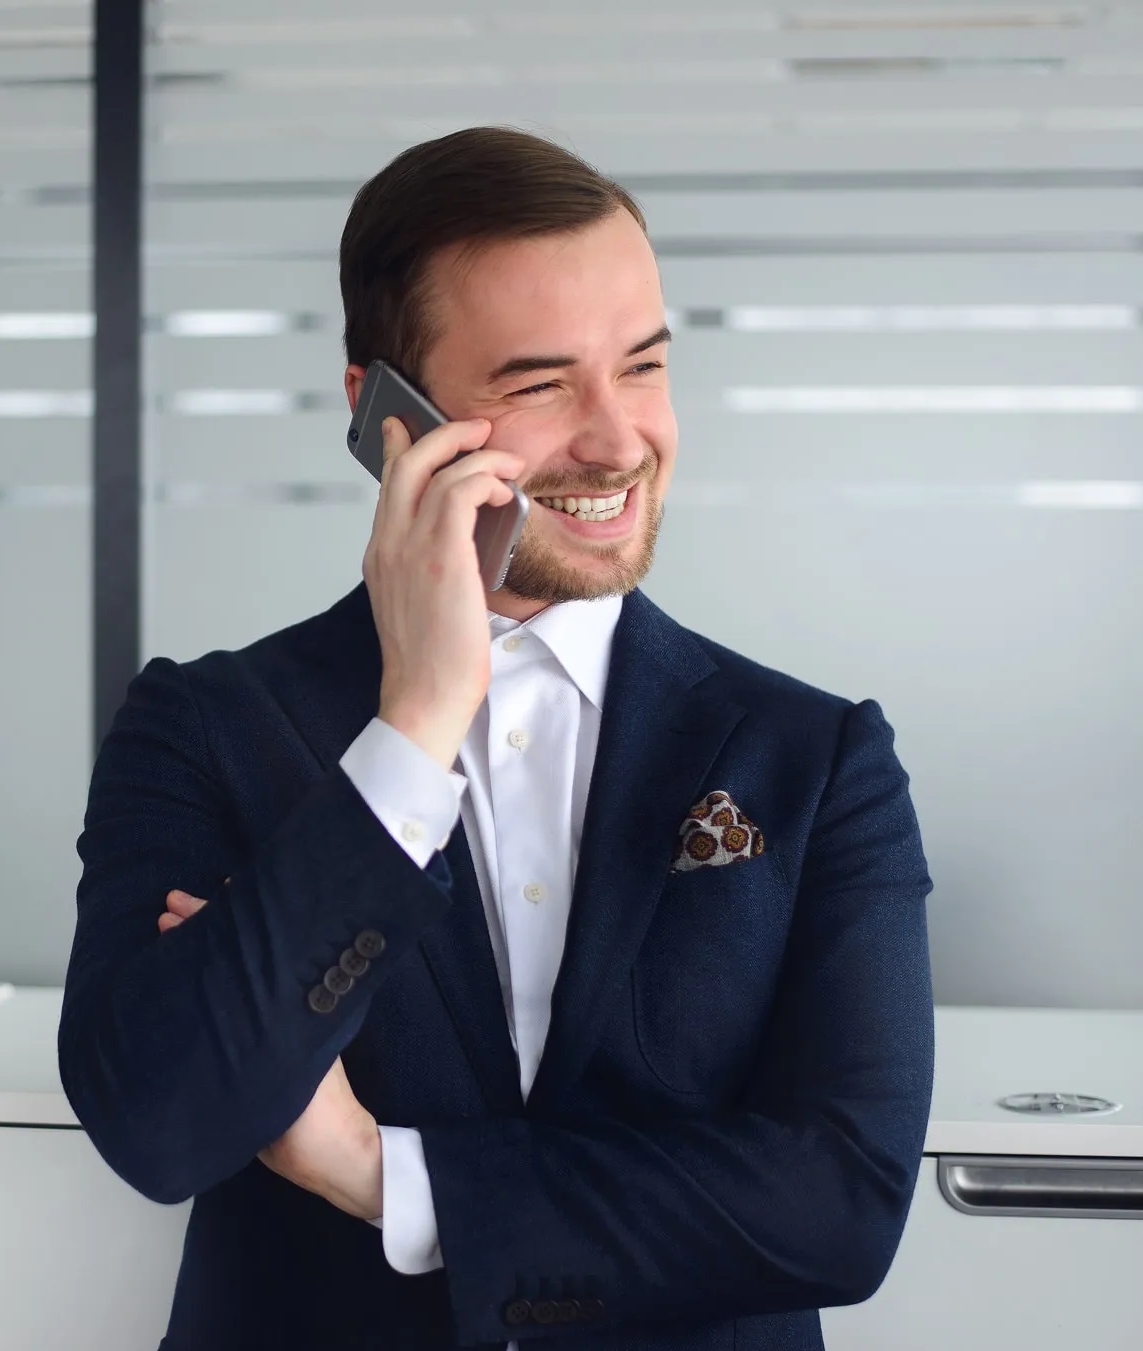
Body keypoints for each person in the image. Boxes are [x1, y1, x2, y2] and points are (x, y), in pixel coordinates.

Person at [59, 127, 934, 1351]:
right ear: (384, 419)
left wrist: (380, 1173)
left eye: (641, 365)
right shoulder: (203, 726)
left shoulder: (819, 757)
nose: (618, 438)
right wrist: (414, 724)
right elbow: (158, 1122)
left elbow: (840, 1208)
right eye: (537, 384)